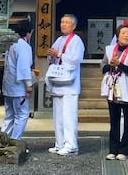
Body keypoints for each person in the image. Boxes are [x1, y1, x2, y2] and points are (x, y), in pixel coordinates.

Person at [47, 14, 85, 156]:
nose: (63, 24)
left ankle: (71, 145)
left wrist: (59, 55)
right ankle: (59, 143)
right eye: (62, 22)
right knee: (58, 116)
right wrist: (51, 55)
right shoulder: (59, 39)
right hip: (58, 81)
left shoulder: (76, 41)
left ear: (73, 26)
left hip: (70, 84)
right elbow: (53, 56)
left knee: (68, 116)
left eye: (67, 22)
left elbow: (75, 60)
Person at [101, 24, 128, 160]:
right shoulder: (110, 50)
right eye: (123, 33)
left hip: (127, 87)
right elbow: (102, 65)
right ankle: (113, 148)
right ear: (118, 36)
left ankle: (125, 150)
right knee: (114, 119)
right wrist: (109, 65)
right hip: (113, 88)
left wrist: (119, 65)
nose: (126, 36)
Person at [2, 21, 34, 140]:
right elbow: (24, 67)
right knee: (22, 115)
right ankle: (15, 140)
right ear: (28, 33)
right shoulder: (24, 46)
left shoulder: (11, 44)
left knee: (9, 116)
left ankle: (4, 139)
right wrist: (29, 84)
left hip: (8, 85)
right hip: (19, 86)